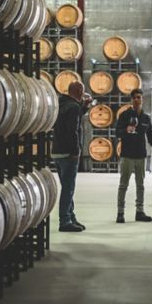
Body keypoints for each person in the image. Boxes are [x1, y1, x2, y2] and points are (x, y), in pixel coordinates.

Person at [115, 89, 152, 223]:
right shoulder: (124, 115)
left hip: (141, 156)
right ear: (131, 100)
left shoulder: (145, 118)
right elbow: (117, 133)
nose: (137, 100)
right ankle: (120, 213)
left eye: (139, 97)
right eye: (135, 97)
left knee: (140, 185)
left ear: (142, 100)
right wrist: (126, 130)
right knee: (123, 185)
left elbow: (151, 137)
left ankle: (140, 212)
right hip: (127, 156)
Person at [52, 81, 92, 232]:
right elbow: (72, 131)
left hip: (57, 151)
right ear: (80, 91)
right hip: (68, 153)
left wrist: (85, 106)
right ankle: (65, 221)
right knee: (68, 189)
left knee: (67, 187)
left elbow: (72, 116)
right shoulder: (74, 107)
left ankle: (71, 217)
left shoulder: (61, 104)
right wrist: (76, 151)